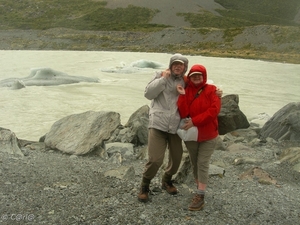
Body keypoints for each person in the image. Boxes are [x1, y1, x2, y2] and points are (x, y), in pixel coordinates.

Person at [137, 53, 189, 203]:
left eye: (181, 64)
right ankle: (144, 185)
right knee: (155, 160)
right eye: (175, 64)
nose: (178, 66)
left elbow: (201, 87)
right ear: (171, 65)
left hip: (175, 126)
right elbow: (148, 94)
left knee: (177, 158)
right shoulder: (159, 75)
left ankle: (166, 180)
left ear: (185, 67)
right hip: (158, 123)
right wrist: (163, 79)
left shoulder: (186, 81)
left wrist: (217, 92)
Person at [177, 64, 221, 211]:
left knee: (202, 163)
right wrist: (182, 95)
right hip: (192, 136)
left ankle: (200, 195)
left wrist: (195, 121)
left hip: (208, 135)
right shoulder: (187, 90)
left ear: (204, 76)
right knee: (195, 163)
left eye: (199, 75)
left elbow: (213, 111)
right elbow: (183, 112)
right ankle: (199, 189)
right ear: (190, 76)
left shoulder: (212, 90)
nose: (196, 77)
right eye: (194, 75)